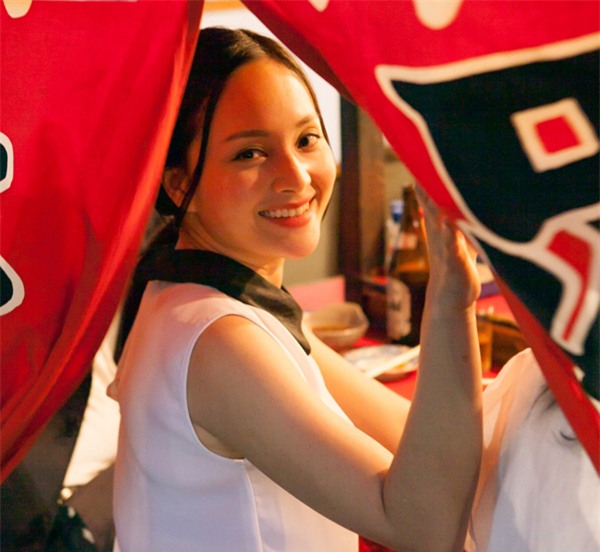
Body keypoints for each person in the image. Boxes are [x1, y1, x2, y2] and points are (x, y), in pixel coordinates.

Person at [109, 27, 483, 552]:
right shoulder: (219, 341)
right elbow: (423, 525)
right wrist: (450, 298)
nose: (297, 177)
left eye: (307, 140)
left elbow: (404, 430)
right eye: (250, 154)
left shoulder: (205, 296)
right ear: (178, 184)